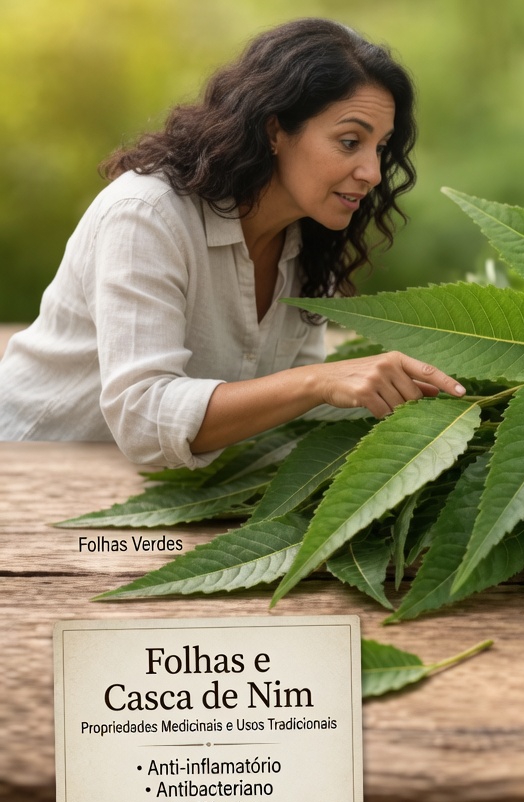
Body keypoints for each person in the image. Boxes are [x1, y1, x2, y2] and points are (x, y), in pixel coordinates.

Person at [0, 18, 462, 468]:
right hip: (28, 474)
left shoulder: (308, 236)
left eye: (380, 147)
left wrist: (453, 390)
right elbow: (144, 417)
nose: (373, 173)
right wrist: (318, 381)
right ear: (274, 130)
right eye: (348, 141)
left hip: (163, 495)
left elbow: (289, 411)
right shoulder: (147, 215)